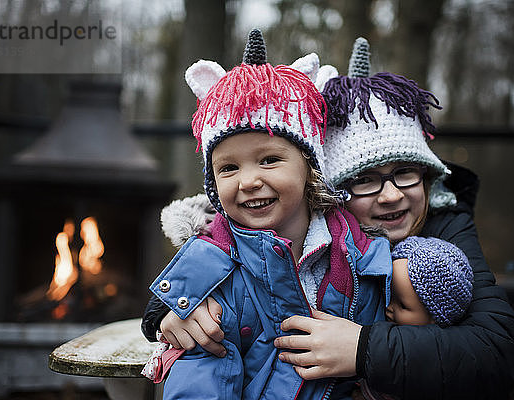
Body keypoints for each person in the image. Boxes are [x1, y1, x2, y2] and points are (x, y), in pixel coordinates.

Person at [143, 37, 514, 399]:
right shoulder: (268, 231)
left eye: (406, 172)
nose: (391, 195)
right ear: (328, 189)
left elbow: (495, 350)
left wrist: (361, 349)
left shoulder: (444, 225)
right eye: (364, 180)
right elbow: (210, 250)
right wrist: (169, 308)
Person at [143, 29, 394, 399]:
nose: (248, 181)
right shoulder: (212, 274)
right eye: (228, 168)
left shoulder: (364, 258)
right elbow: (200, 374)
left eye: (269, 160)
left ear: (310, 166)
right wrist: (162, 311)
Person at [353, 236, 473, 400]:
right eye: (389, 294)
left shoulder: (434, 367)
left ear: (437, 317)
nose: (389, 307)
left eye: (402, 305)